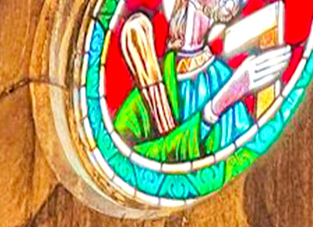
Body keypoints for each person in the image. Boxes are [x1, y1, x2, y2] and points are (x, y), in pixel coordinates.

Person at [115, 0, 292, 161]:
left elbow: (236, 156)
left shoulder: (223, 76)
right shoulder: (152, 89)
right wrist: (217, 106)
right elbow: (128, 158)